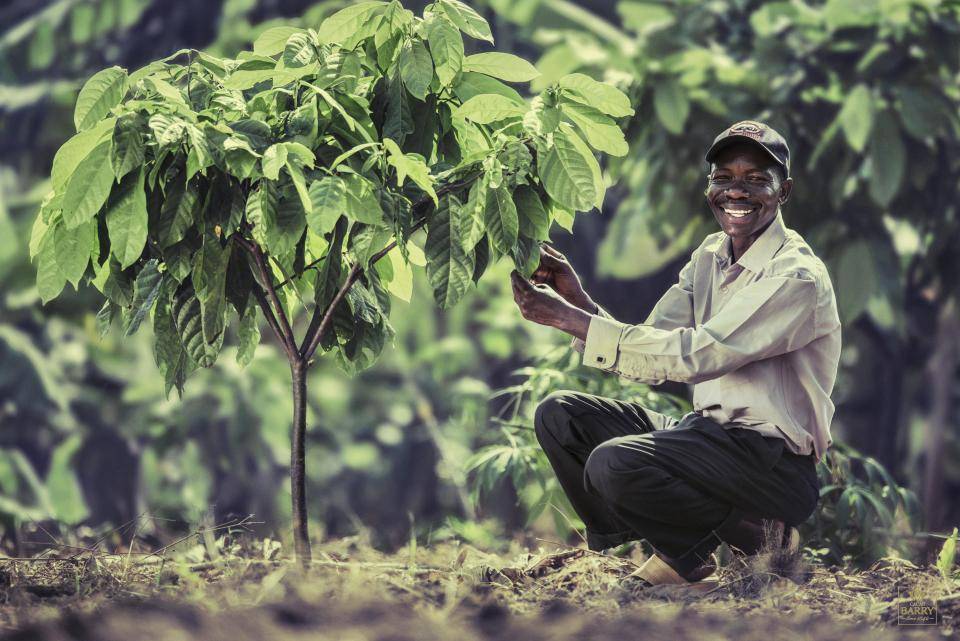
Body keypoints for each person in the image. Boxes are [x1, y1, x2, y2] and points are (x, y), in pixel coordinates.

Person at [510, 120, 842, 588]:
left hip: (769, 466)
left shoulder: (795, 276)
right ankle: (684, 552)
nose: (736, 192)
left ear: (782, 191)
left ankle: (761, 539)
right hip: (707, 438)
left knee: (613, 461)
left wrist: (569, 320)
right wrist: (579, 304)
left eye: (755, 180)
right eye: (724, 178)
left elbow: (695, 355)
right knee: (561, 416)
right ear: (709, 188)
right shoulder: (710, 254)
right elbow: (653, 345)